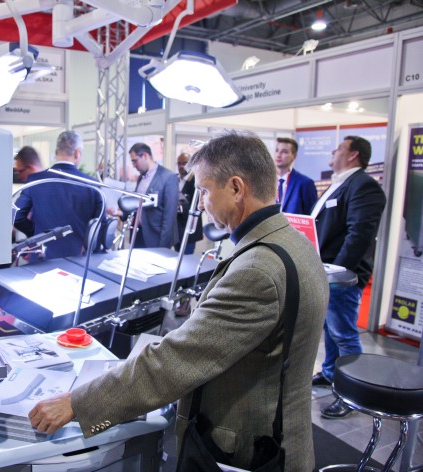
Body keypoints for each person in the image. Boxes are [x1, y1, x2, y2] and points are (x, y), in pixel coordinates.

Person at [28, 131, 330, 471]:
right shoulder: (293, 242)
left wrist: (78, 403)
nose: (200, 204)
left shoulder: (257, 271)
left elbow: (177, 360)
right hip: (279, 435)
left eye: (204, 191)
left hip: (250, 452)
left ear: (236, 188)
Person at [311, 136, 386, 419]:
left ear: (353, 154)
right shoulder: (339, 183)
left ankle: (351, 395)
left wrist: (337, 273)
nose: (333, 151)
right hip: (326, 271)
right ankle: (331, 373)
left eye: (339, 148)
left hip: (341, 275)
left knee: (344, 335)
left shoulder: (364, 185)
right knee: (331, 330)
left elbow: (359, 235)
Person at [13, 130, 104, 261]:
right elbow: (100, 228)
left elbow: (16, 216)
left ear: (56, 152)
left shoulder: (35, 180)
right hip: (78, 261)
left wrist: (38, 233)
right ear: (77, 153)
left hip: (40, 260)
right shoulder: (92, 185)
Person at [129, 142, 179, 248]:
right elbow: (138, 205)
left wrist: (163, 247)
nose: (134, 166)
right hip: (138, 235)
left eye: (135, 161)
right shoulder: (141, 178)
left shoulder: (168, 178)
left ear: (145, 156)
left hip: (155, 238)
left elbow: (169, 217)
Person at [274, 137, 318, 215]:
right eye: (277, 150)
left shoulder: (305, 183)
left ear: (294, 156)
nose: (278, 155)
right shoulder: (265, 181)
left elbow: (312, 215)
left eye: (284, 152)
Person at [174, 151, 203, 255]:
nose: (181, 166)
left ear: (191, 164)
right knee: (176, 256)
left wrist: (182, 205)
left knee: (186, 258)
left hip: (189, 227)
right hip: (176, 228)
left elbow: (199, 206)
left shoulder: (197, 181)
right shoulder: (174, 179)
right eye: (179, 163)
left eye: (184, 163)